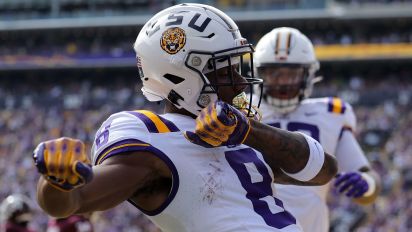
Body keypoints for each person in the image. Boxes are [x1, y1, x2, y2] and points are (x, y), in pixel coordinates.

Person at [32, 4, 338, 232]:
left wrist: (249, 132)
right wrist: (57, 182)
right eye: (225, 71)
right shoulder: (152, 136)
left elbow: (323, 171)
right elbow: (74, 201)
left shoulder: (238, 130)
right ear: (180, 78)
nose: (241, 82)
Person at [253, 27, 381, 232]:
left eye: (292, 74)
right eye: (274, 73)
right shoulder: (243, 110)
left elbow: (367, 179)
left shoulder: (331, 113)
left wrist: (367, 184)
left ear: (308, 74)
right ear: (259, 73)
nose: (284, 82)